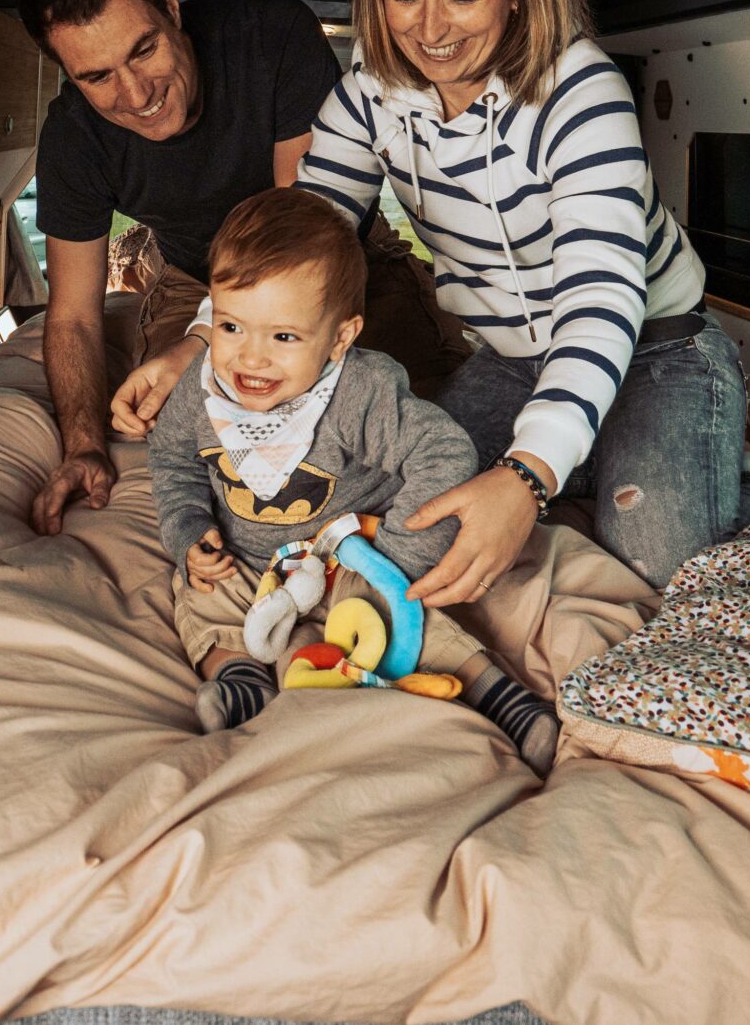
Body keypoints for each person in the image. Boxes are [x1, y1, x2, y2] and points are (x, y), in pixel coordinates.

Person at [295, 0, 747, 598]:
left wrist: (526, 477)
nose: (430, 29)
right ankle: (592, 451)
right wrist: (207, 337)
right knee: (400, 508)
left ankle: (706, 463)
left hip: (657, 348)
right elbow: (298, 247)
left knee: (656, 567)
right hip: (511, 361)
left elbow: (600, 299)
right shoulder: (363, 99)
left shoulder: (582, 89)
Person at [16, 0, 461, 537]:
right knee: (195, 435)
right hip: (193, 280)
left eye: (143, 50)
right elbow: (74, 317)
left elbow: (301, 237)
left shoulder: (271, 36)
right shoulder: (73, 137)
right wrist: (84, 447)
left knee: (418, 413)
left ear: (171, 7)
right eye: (96, 77)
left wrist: (205, 342)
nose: (136, 94)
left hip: (336, 257)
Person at [146, 189, 559, 771]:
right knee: (201, 591)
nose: (250, 359)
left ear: (340, 338)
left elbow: (442, 453)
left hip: (353, 553)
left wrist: (394, 560)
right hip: (250, 559)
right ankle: (239, 678)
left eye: (283, 337)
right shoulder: (202, 388)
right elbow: (171, 458)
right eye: (232, 326)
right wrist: (188, 529)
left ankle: (495, 692)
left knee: (408, 613)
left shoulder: (358, 393)